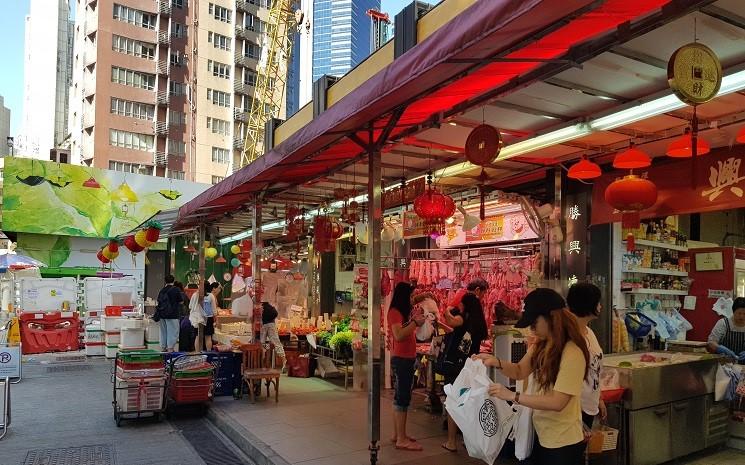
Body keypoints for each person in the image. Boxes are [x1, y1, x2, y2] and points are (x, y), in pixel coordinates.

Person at [473, 288, 589, 465]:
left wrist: (513, 396)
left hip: (563, 442)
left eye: (534, 322)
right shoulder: (542, 345)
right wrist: (495, 361)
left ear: (552, 317)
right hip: (539, 434)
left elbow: (558, 402)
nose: (531, 328)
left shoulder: (572, 352)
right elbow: (520, 371)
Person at [441, 292, 488, 453]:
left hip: (456, 367)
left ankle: (451, 441)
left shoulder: (463, 318)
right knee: (468, 402)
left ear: (465, 305)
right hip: (470, 365)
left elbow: (451, 320)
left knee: (453, 402)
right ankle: (468, 440)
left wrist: (447, 309)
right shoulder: (477, 323)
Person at [387, 281, 426, 452]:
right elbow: (398, 335)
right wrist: (415, 324)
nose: (412, 299)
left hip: (405, 359)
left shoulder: (401, 312)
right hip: (402, 360)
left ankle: (398, 435)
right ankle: (401, 439)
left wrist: (424, 297)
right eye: (410, 296)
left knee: (400, 398)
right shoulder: (395, 312)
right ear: (403, 297)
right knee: (402, 399)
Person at [566, 282, 607, 429]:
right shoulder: (570, 337)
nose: (600, 306)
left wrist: (599, 398)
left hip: (589, 405)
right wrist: (575, 416)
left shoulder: (589, 332)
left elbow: (594, 370)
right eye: (598, 302)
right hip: (575, 410)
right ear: (589, 304)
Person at [707, 297, 745, 362]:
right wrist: (719, 348)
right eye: (739, 313)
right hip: (724, 364)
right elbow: (711, 342)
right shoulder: (723, 323)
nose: (742, 317)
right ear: (733, 311)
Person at [155, 275, 184, 352]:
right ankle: (170, 349)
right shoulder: (176, 290)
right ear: (173, 281)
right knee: (173, 331)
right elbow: (181, 301)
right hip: (173, 314)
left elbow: (158, 301)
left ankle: (163, 348)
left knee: (163, 331)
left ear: (165, 281)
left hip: (162, 314)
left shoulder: (162, 290)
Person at [202, 282, 222, 351]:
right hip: (209, 318)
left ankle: (198, 352)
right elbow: (214, 310)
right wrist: (216, 320)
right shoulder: (211, 296)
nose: (219, 290)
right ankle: (208, 352)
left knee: (198, 336)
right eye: (219, 288)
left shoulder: (197, 295)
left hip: (199, 318)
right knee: (208, 337)